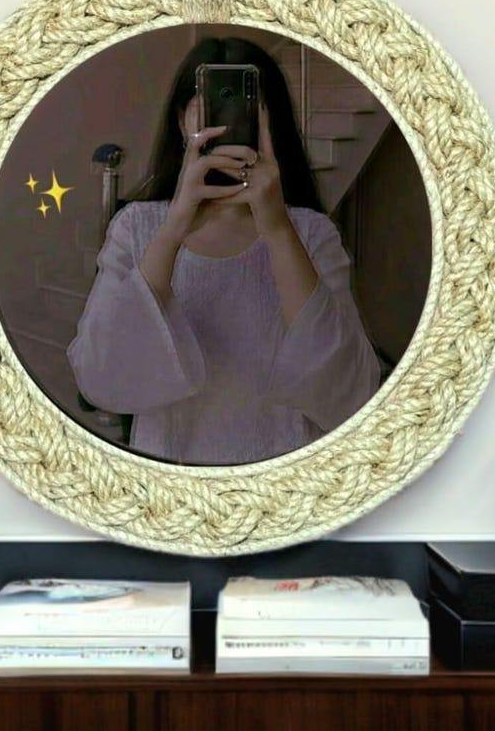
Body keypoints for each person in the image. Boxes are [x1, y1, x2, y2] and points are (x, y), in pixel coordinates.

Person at [66, 38, 381, 465]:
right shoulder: (136, 228)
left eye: (243, 115)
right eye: (212, 113)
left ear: (271, 124)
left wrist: (277, 228)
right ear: (181, 121)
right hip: (171, 472)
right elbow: (100, 375)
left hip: (282, 472)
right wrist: (174, 226)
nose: (228, 128)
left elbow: (349, 390)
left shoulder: (310, 233)